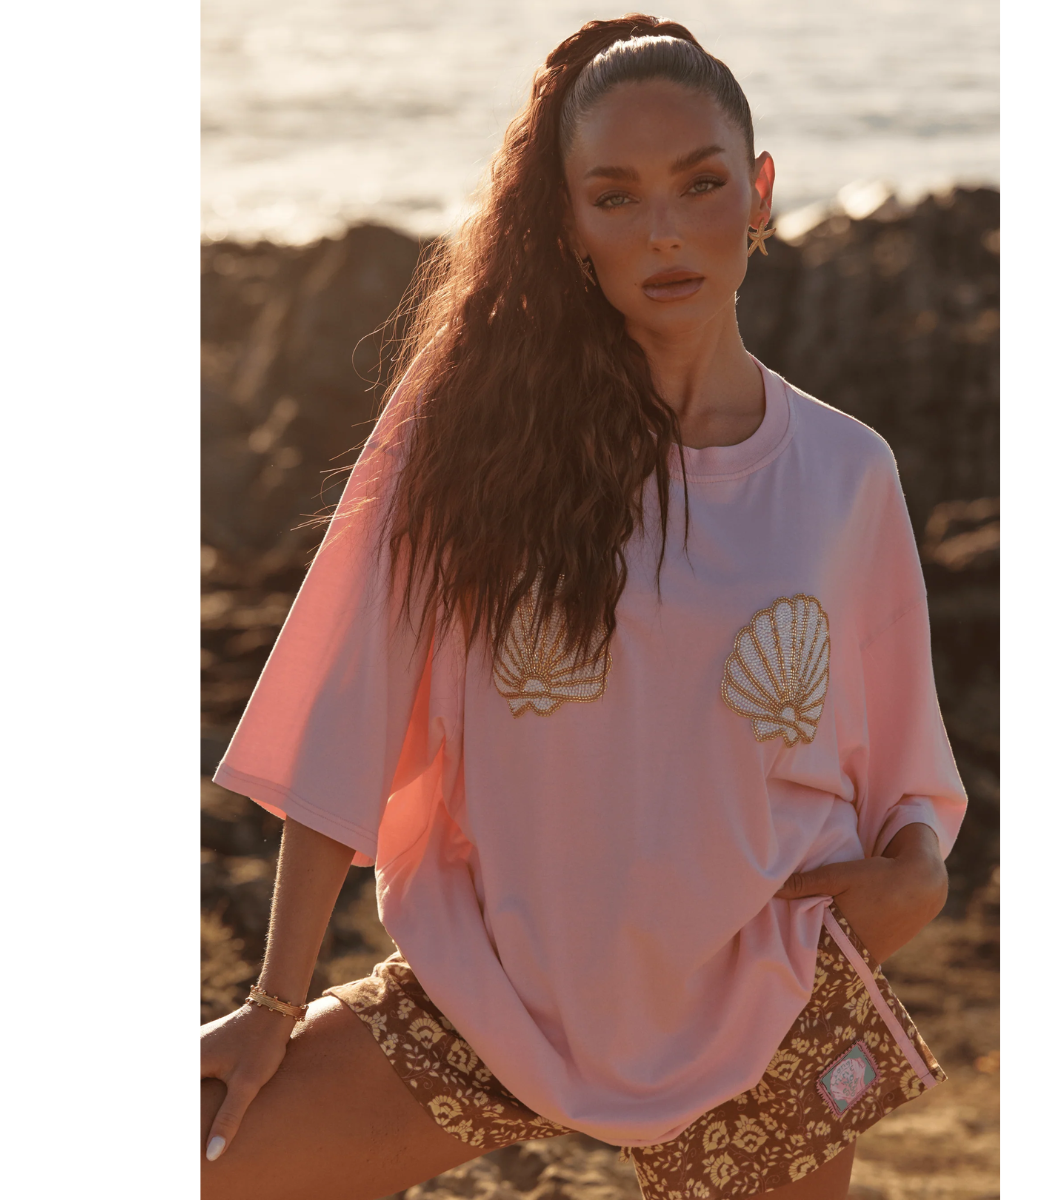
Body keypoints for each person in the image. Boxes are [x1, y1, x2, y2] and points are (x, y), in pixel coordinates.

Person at [200, 15, 967, 1200]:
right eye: (616, 197)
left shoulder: (845, 472)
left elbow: (903, 765)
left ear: (761, 192)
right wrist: (272, 1003)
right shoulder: (471, 434)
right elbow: (348, 707)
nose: (664, 230)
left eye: (701, 184)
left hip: (761, 1008)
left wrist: (919, 875)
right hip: (489, 989)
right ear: (568, 225)